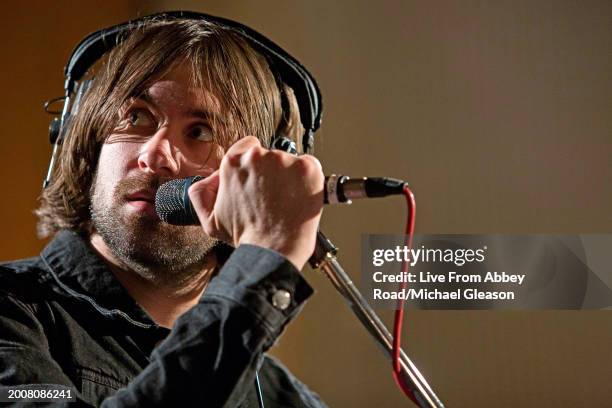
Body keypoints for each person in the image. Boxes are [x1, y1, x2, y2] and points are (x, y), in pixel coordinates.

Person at [0, 14, 328, 407]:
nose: (155, 154)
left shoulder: (283, 397)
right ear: (85, 137)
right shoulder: (13, 316)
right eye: (136, 116)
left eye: (200, 132)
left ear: (251, 180)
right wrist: (263, 262)